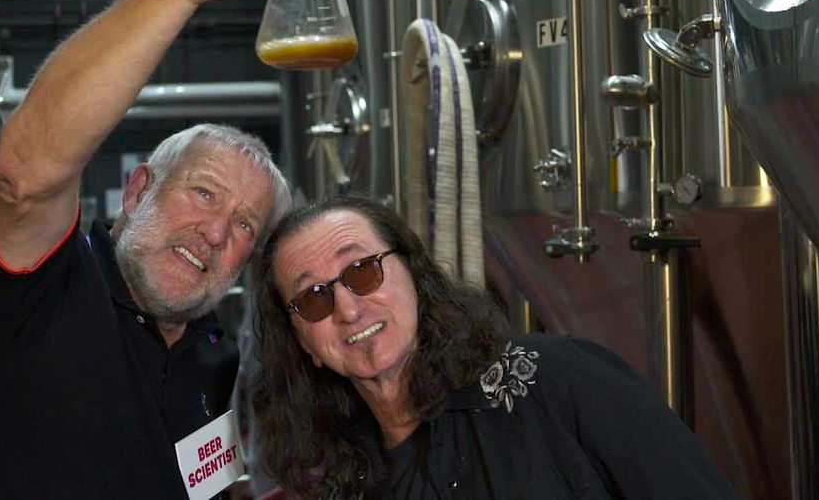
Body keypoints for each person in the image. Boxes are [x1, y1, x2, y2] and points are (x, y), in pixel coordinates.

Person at [0, 0, 339, 499]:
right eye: (204, 193)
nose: (218, 231)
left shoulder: (211, 351)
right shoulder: (45, 289)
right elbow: (22, 180)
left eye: (246, 225)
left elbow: (204, 488)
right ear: (140, 189)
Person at [252, 195, 740, 499]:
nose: (348, 309)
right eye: (313, 297)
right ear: (304, 344)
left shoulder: (556, 380)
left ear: (416, 278)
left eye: (362, 271)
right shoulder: (342, 486)